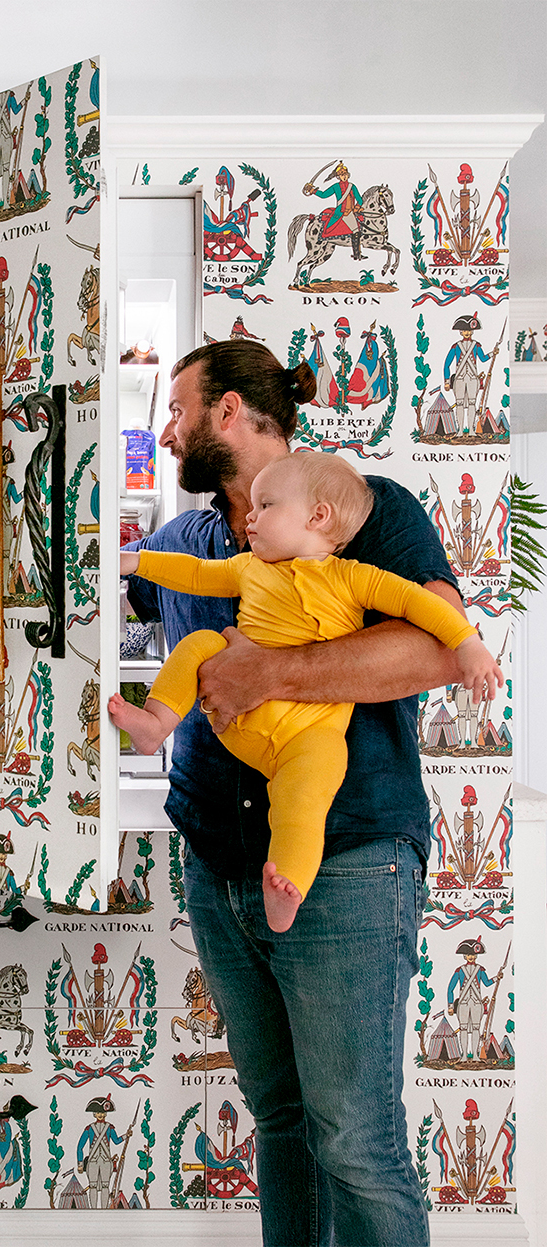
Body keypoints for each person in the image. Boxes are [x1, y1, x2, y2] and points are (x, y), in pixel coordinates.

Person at [123, 339, 466, 1246]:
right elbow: (100, 592)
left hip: (347, 862)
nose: (166, 432)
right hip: (219, 868)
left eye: (178, 409)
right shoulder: (190, 540)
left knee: (356, 1141)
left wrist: (273, 671)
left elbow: (439, 644)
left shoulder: (367, 509)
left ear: (228, 413)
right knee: (279, 1120)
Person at [110, 451, 500, 931]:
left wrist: (469, 645)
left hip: (307, 736)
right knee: (200, 644)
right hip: (236, 730)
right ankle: (155, 723)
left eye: (265, 506)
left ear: (318, 517)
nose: (251, 518)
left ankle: (287, 885)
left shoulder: (354, 577)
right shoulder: (247, 568)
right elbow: (192, 573)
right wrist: (136, 560)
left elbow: (420, 605)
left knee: (307, 795)